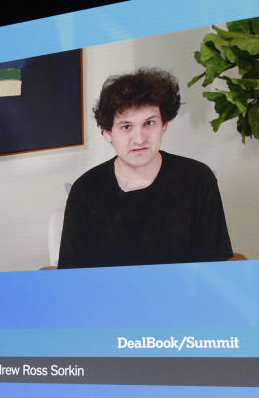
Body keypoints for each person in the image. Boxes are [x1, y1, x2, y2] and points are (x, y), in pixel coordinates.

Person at [57, 68, 233, 269]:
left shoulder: (198, 178)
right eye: (126, 127)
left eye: (149, 123)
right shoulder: (85, 190)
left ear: (164, 125)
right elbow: (72, 276)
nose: (139, 139)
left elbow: (214, 268)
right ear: (107, 133)